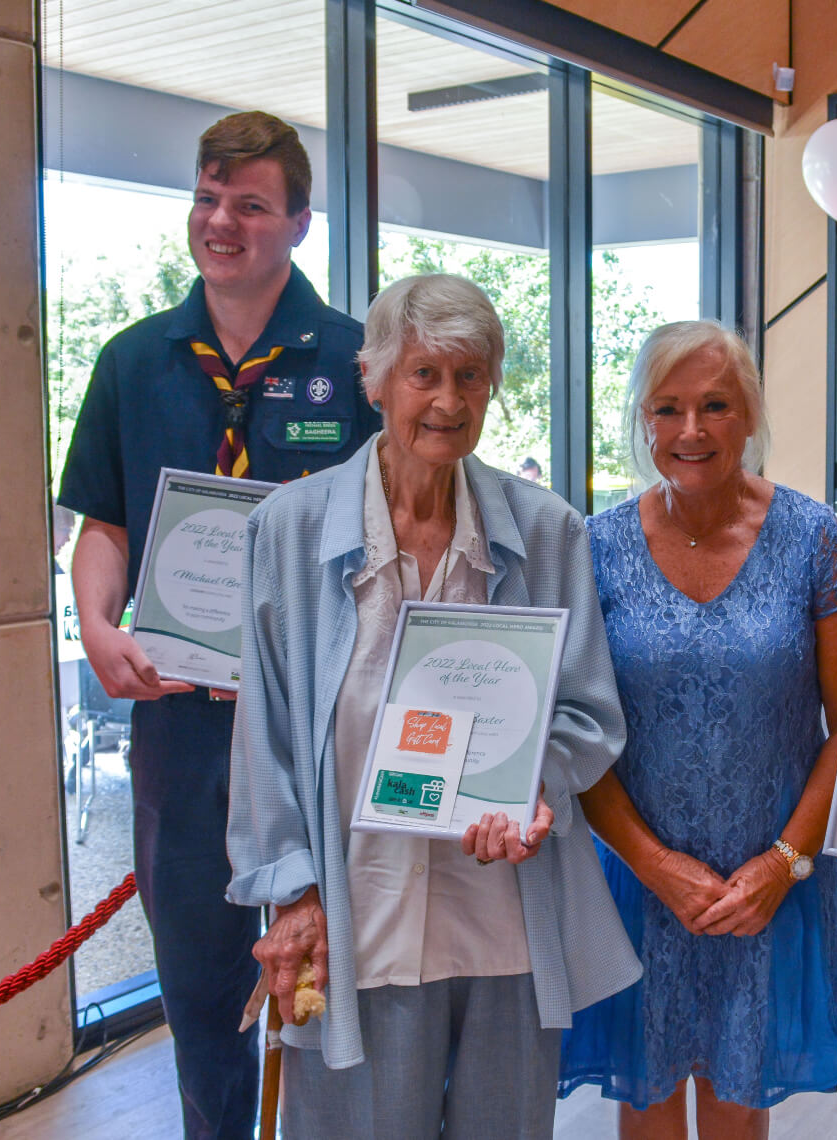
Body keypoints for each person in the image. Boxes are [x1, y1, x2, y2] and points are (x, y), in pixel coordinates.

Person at [225, 273, 641, 1139]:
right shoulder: (289, 530)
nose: (449, 401)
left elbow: (587, 712)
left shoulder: (549, 529)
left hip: (505, 919)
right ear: (373, 378)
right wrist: (295, 895)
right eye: (423, 374)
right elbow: (261, 736)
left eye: (471, 376)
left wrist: (535, 786)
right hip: (357, 915)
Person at [57, 110, 379, 1140]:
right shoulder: (132, 361)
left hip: (318, 724)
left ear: (298, 222)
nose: (221, 222)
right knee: (197, 992)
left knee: (340, 983)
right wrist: (97, 626)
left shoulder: (362, 360)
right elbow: (103, 523)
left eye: (249, 204)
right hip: (182, 725)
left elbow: (400, 536)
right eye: (206, 198)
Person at [558, 320, 837, 1139]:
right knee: (646, 1104)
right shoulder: (593, 548)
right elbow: (574, 731)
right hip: (635, 874)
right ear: (643, 420)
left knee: (742, 1104)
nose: (692, 430)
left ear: (749, 415)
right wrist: (653, 863)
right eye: (668, 408)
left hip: (772, 870)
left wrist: (784, 864)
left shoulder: (814, 538)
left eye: (715, 405)